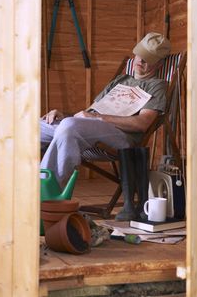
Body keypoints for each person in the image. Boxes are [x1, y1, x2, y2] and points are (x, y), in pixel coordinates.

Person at [40, 32, 171, 220]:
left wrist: (99, 118)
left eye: (148, 59)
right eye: (139, 55)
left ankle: (45, 196)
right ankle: (18, 190)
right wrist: (63, 116)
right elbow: (87, 115)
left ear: (158, 64)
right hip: (91, 129)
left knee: (69, 127)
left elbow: (142, 124)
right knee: (35, 127)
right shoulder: (120, 81)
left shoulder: (156, 86)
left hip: (121, 136)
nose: (140, 61)